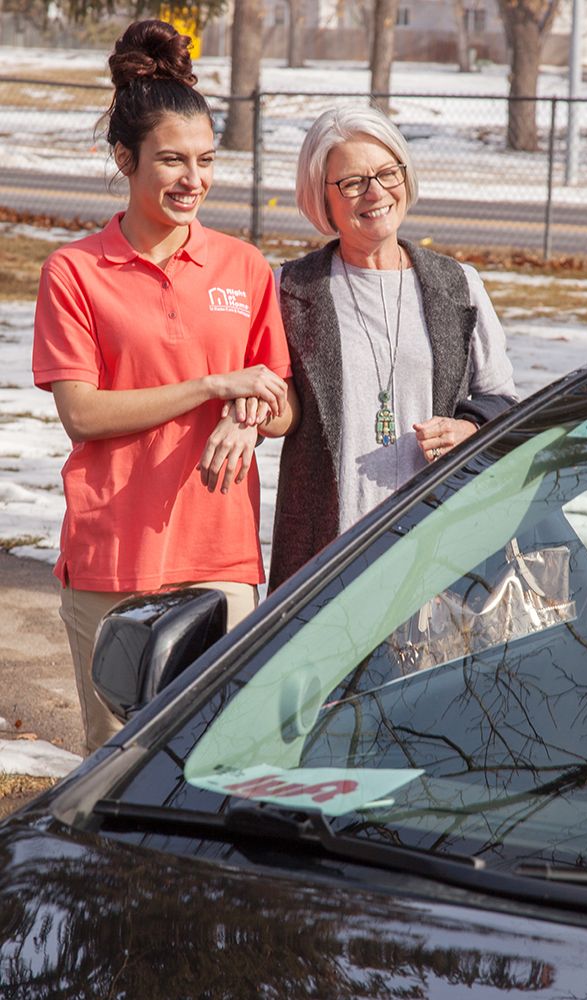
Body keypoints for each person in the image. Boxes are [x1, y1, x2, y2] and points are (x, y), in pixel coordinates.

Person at [32, 19, 299, 753]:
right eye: (172, 161)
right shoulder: (75, 272)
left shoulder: (243, 267)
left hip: (221, 557)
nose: (194, 180)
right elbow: (82, 414)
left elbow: (282, 403)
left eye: (207, 161)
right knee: (117, 770)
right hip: (112, 556)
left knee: (222, 759)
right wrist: (213, 384)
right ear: (124, 157)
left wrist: (251, 412)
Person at [268, 104, 517, 592]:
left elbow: (503, 402)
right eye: (353, 182)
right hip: (326, 560)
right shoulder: (290, 291)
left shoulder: (458, 286)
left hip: (436, 554)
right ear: (322, 197)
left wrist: (469, 430)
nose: (377, 192)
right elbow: (267, 406)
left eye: (387, 172)